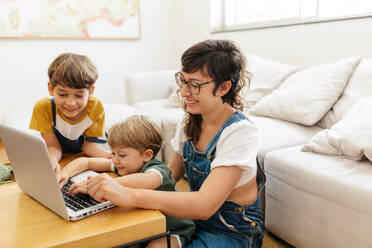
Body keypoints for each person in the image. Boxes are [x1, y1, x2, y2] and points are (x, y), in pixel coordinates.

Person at [84, 39, 266, 248]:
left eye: (195, 85)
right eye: (183, 80)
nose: (184, 91)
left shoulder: (240, 133)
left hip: (231, 232)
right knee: (126, 237)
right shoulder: (190, 122)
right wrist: (101, 185)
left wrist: (128, 194)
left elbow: (205, 205)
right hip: (193, 219)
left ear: (224, 87)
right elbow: (167, 178)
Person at [60, 115, 195, 248]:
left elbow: (147, 180)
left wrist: (99, 183)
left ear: (147, 155)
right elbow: (87, 162)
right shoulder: (125, 165)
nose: (115, 160)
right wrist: (64, 175)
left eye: (121, 155)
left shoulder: (159, 170)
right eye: (113, 153)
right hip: (144, 226)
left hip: (173, 228)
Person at [29, 53, 111, 179]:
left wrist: (110, 157)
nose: (71, 103)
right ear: (50, 88)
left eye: (79, 96)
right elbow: (52, 145)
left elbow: (89, 145)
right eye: (62, 94)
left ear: (91, 91)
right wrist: (51, 160)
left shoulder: (95, 107)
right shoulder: (43, 108)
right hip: (60, 154)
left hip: (83, 155)